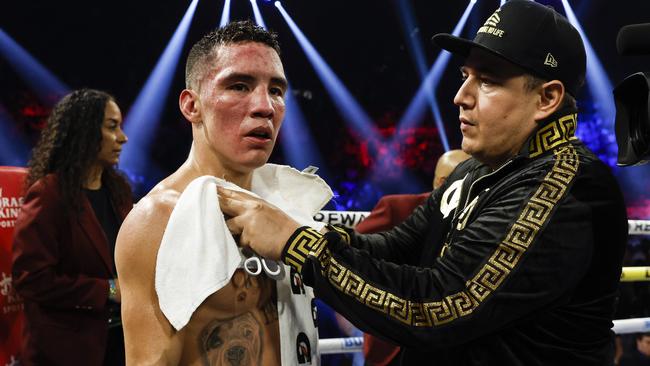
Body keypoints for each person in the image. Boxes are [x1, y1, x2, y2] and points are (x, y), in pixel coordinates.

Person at [218, 1, 629, 364]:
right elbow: (394, 248)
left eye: (487, 81)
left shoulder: (565, 189)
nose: (461, 96)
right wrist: (303, 229)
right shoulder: (478, 169)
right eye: (466, 76)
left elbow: (435, 308)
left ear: (546, 99)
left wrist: (296, 244)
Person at [115, 21, 326, 365]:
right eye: (239, 86)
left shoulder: (288, 207)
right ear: (191, 106)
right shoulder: (157, 221)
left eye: (276, 90)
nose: (265, 106)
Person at [11, 88, 131, 366]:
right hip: (70, 349)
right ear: (84, 131)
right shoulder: (49, 194)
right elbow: (31, 278)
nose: (123, 138)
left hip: (122, 341)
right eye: (112, 127)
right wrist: (109, 290)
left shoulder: (119, 191)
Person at [355, 149, 469, 366]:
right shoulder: (399, 208)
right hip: (394, 341)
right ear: (445, 182)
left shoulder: (480, 214)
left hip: (448, 340)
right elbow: (354, 254)